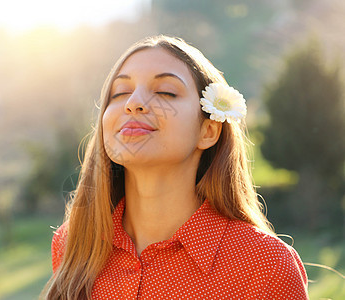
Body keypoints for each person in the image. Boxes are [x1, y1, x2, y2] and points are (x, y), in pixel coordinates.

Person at [40, 35, 309, 299]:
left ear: (208, 131)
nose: (134, 103)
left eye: (166, 92)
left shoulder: (266, 267)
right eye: (120, 93)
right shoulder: (72, 245)